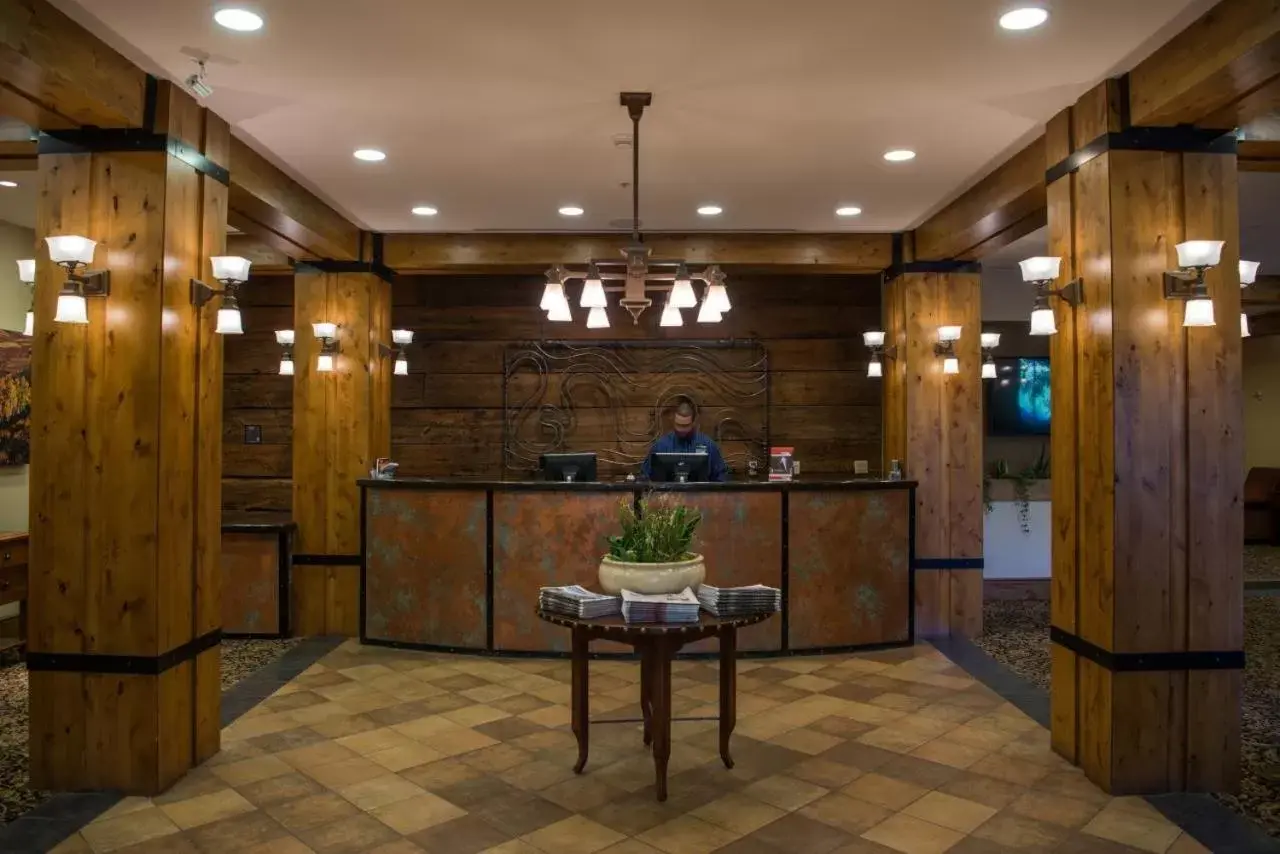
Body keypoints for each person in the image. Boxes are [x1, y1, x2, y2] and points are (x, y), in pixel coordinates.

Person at [641, 399, 728, 482]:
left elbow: (721, 477)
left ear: (693, 423)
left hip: (700, 495)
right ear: (674, 421)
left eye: (685, 426)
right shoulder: (660, 446)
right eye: (678, 425)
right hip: (667, 496)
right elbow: (645, 476)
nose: (681, 429)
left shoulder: (708, 445)